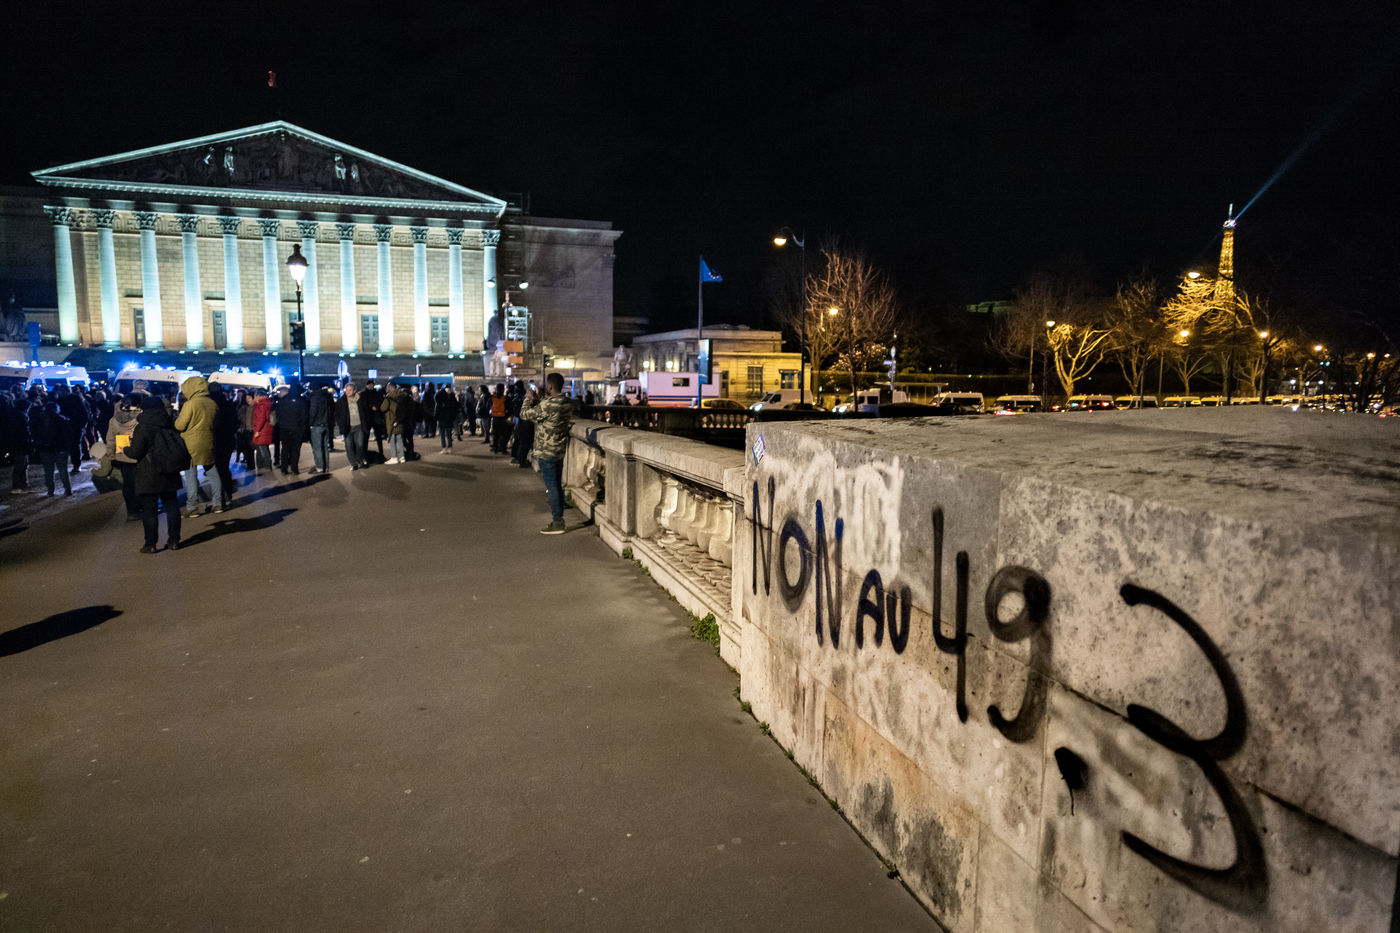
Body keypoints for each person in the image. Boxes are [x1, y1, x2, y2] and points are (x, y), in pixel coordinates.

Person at [126, 394, 183, 553]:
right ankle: (174, 541)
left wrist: (125, 448)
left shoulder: (143, 426)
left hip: (149, 474)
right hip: (169, 470)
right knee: (172, 506)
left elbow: (136, 452)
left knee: (149, 510)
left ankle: (150, 544)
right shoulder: (169, 423)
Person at [520, 372, 574, 535]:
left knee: (552, 487)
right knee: (556, 484)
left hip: (546, 450)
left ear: (550, 386)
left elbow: (524, 414)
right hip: (559, 449)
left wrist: (529, 398)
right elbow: (548, 412)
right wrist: (542, 397)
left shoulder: (547, 405)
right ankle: (559, 515)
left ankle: (558, 522)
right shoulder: (566, 403)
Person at [174, 375, 222, 517]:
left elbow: (180, 425)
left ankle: (192, 507)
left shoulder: (190, 404)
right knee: (213, 473)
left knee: (191, 475)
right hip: (208, 441)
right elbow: (217, 423)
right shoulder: (212, 403)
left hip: (190, 444)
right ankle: (218, 503)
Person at [107, 389, 145, 518]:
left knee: (128, 484)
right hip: (139, 454)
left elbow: (111, 440)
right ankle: (143, 507)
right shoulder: (141, 418)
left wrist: (111, 456)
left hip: (122, 454)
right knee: (142, 482)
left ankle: (132, 511)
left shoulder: (114, 420)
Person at [32, 399, 73, 497]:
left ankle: (50, 491)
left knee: (48, 471)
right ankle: (67, 489)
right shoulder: (61, 419)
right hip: (60, 448)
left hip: (45, 448)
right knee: (63, 470)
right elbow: (69, 434)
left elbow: (34, 433)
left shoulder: (39, 420)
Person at [334, 382, 370, 470]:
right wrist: (340, 423)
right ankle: (354, 464)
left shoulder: (360, 400)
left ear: (354, 391)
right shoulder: (341, 401)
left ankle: (360, 460)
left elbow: (366, 412)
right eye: (347, 390)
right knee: (349, 446)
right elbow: (337, 414)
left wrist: (366, 423)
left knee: (360, 445)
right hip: (347, 427)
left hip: (359, 426)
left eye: (350, 390)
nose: (348, 392)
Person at [277, 382, 310, 474]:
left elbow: (278, 414)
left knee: (285, 448)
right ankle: (294, 468)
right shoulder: (301, 401)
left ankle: (284, 468)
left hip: (284, 428)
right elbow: (304, 416)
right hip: (297, 428)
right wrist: (303, 427)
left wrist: (282, 424)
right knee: (296, 449)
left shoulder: (283, 400)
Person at [0, 394, 30, 493]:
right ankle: (17, 485)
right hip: (20, 443)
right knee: (20, 465)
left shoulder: (14, 415)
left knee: (23, 464)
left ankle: (22, 484)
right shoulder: (19, 417)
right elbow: (22, 431)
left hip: (19, 443)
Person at [308, 384, 333, 473]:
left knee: (317, 448)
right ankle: (326, 467)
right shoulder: (326, 396)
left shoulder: (315, 397)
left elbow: (313, 412)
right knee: (325, 447)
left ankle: (319, 467)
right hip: (326, 424)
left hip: (317, 425)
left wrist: (310, 423)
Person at [251, 389, 275, 474]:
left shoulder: (261, 405)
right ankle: (262, 465)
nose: (254, 398)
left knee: (262, 449)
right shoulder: (267, 403)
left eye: (255, 396)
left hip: (262, 430)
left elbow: (261, 418)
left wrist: (257, 431)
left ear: (259, 396)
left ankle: (266, 466)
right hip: (265, 429)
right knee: (262, 448)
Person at [435, 384, 459, 452]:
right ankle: (450, 447)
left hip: (442, 418)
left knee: (443, 434)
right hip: (449, 418)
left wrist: (436, 417)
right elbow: (456, 407)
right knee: (448, 433)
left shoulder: (439, 400)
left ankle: (444, 448)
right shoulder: (451, 397)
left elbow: (437, 410)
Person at [490, 383, 509, 454]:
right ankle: (503, 450)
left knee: (495, 435)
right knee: (503, 435)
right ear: (503, 389)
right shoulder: (505, 398)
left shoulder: (492, 398)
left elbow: (489, 407)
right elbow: (509, 409)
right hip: (503, 419)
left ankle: (495, 449)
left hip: (495, 418)